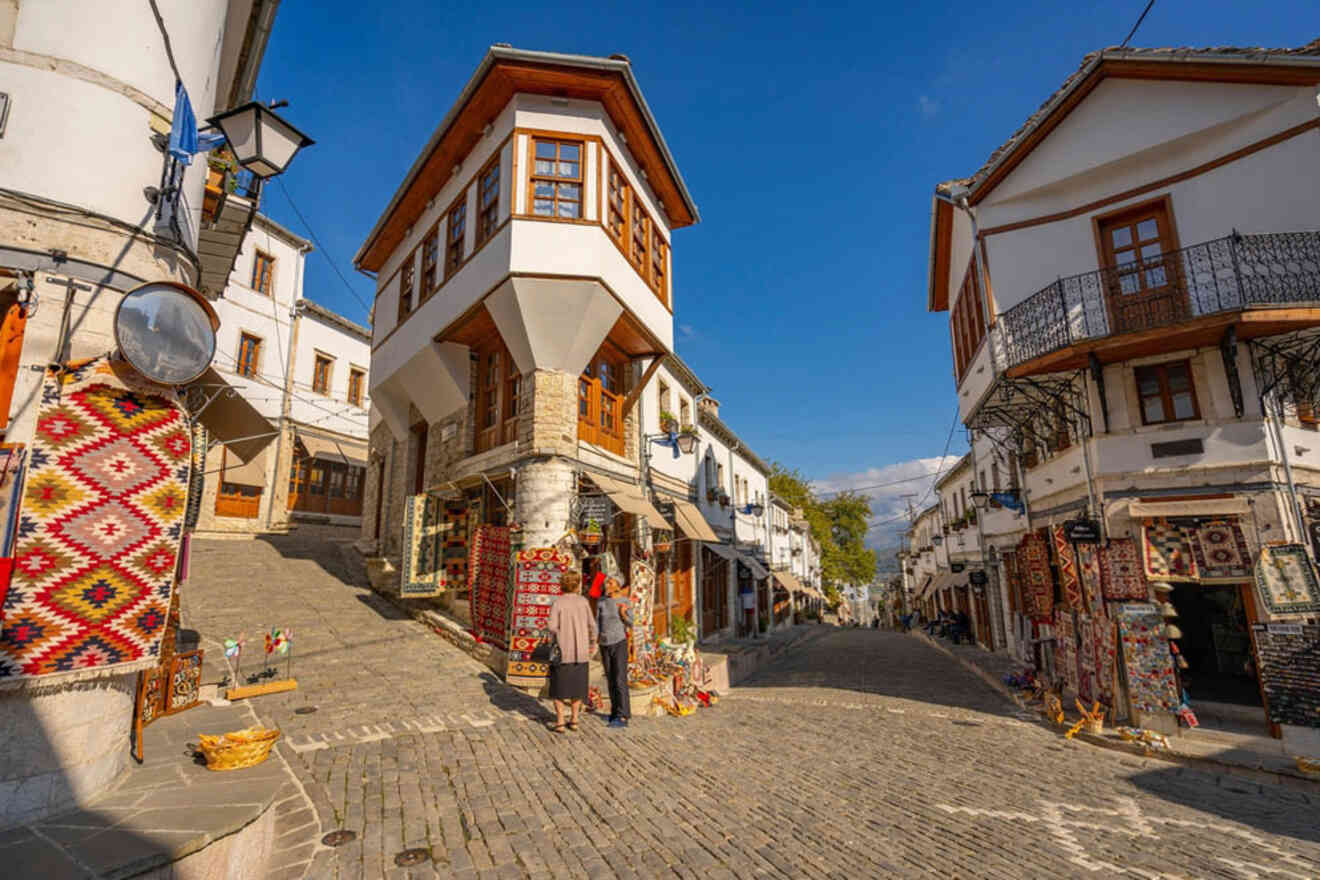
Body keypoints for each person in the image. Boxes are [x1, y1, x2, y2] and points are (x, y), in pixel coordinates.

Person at [547, 571, 596, 733]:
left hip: (562, 652)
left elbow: (552, 627)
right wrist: (592, 643)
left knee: (558, 688)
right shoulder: (584, 602)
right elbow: (592, 625)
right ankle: (574, 719)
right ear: (577, 585)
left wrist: (560, 633)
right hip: (581, 652)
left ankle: (560, 721)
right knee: (578, 687)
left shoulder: (558, 603)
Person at [597, 577, 633, 728]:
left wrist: (623, 613)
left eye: (610, 583)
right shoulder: (601, 601)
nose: (607, 585)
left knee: (619, 679)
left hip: (619, 642)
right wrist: (595, 639)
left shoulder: (624, 601)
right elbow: (597, 621)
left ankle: (623, 715)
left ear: (618, 585)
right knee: (610, 678)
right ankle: (614, 711)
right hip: (604, 643)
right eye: (606, 582)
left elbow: (631, 622)